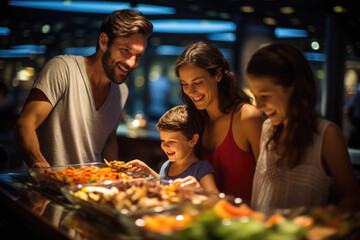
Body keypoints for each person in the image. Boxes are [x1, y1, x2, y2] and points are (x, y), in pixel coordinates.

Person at [13, 10, 153, 168]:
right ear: (104, 42)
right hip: (49, 185)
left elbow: (109, 140)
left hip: (91, 186)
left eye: (139, 55)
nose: (132, 63)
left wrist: (114, 176)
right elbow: (25, 124)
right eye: (125, 51)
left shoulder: (122, 91)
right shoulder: (63, 68)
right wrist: (38, 163)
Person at [246, 42, 360, 212]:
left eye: (265, 96)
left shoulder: (326, 135)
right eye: (255, 96)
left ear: (293, 87)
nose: (259, 106)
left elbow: (353, 197)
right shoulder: (267, 128)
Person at [173, 41, 263, 203]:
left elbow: (269, 182)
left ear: (218, 75)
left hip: (243, 220)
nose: (191, 92)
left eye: (198, 83)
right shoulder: (195, 120)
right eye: (185, 84)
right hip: (207, 219)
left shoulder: (247, 117)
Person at [126, 105, 219, 194]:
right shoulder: (167, 165)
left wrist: (199, 190)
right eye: (162, 140)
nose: (165, 146)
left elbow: (215, 197)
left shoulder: (201, 168)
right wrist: (147, 171)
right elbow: (167, 185)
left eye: (172, 141)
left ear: (192, 140)